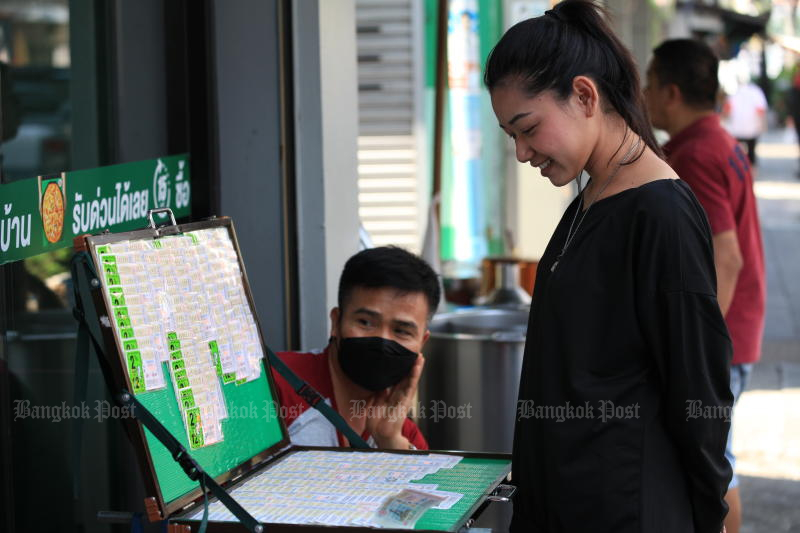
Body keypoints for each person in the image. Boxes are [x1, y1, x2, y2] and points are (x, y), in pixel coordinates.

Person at [483, 2, 733, 532]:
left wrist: (707, 514)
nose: (523, 152)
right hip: (565, 501)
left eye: (528, 128)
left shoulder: (660, 212)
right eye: (511, 137)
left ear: (584, 95)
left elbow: (700, 392)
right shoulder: (591, 198)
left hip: (626, 510)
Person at [645, 38, 766, 533]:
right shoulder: (720, 139)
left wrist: (697, 348)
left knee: (715, 465)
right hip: (742, 328)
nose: (645, 96)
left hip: (726, 337)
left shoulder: (696, 154)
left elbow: (727, 256)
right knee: (715, 459)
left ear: (671, 92)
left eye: (649, 86)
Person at [270, 246, 440, 450]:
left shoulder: (404, 434)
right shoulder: (272, 385)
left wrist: (391, 442)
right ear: (336, 322)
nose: (382, 339)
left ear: (422, 342)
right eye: (366, 322)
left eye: (402, 331)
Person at [721, 77, 767, 167]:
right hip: (752, 129)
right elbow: (760, 110)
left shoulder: (733, 92)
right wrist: (763, 125)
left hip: (735, 129)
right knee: (751, 154)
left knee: (735, 154)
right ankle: (752, 175)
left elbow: (727, 110)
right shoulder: (756, 92)